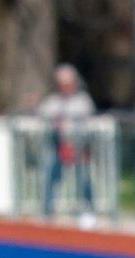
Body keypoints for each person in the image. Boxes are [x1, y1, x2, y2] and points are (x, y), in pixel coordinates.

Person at [38, 64, 97, 227]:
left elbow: (87, 122)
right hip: (59, 146)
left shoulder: (82, 100)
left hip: (78, 146)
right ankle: (46, 211)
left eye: (68, 84)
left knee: (83, 179)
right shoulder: (55, 100)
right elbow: (43, 112)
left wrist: (76, 141)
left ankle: (89, 210)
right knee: (51, 176)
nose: (65, 87)